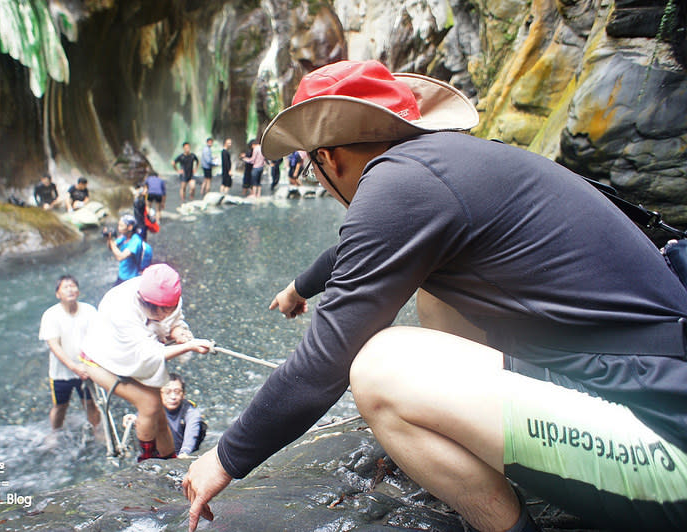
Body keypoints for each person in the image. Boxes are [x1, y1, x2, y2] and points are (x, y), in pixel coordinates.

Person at [182, 60, 687, 532]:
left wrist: (227, 457)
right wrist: (298, 287)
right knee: (436, 294)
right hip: (652, 388)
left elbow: (325, 361)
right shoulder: (441, 165)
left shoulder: (401, 186)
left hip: (664, 453)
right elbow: (354, 249)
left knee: (378, 368)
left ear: (328, 159)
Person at [81, 264, 214, 461]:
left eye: (168, 310)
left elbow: (172, 322)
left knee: (159, 415)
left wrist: (178, 332)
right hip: (101, 360)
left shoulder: (170, 299)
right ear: (144, 301)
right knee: (149, 404)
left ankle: (170, 460)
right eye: (158, 311)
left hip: (133, 356)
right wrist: (189, 346)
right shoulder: (121, 307)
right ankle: (146, 459)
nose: (163, 315)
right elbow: (147, 355)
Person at [38, 275, 100, 433]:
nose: (70, 289)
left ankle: (97, 431)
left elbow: (99, 337)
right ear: (58, 294)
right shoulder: (50, 315)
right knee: (60, 406)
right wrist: (74, 367)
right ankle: (55, 432)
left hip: (86, 369)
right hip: (61, 373)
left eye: (73, 286)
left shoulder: (89, 310)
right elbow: (54, 345)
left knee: (90, 403)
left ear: (78, 291)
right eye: (65, 287)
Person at [162, 373, 207, 458]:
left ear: (183, 394)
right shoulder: (154, 408)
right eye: (167, 392)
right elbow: (142, 416)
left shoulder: (191, 412)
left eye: (177, 392)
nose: (173, 397)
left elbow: (191, 432)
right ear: (159, 393)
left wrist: (185, 451)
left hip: (183, 453)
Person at [107, 214, 143, 286]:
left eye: (121, 226)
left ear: (130, 227)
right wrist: (109, 238)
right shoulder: (124, 236)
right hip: (122, 273)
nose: (118, 228)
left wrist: (111, 242)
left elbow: (120, 257)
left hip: (130, 277)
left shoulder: (136, 241)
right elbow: (111, 247)